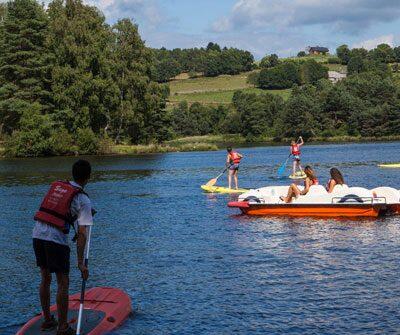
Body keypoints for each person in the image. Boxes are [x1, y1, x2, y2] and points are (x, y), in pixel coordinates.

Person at [32, 160, 94, 335]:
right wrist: (80, 263)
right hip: (55, 239)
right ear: (88, 177)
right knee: (63, 282)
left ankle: (47, 320)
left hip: (37, 233)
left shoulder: (59, 186)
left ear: (72, 174)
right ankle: (63, 327)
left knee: (45, 278)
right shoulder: (83, 199)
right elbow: (82, 234)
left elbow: (61, 210)